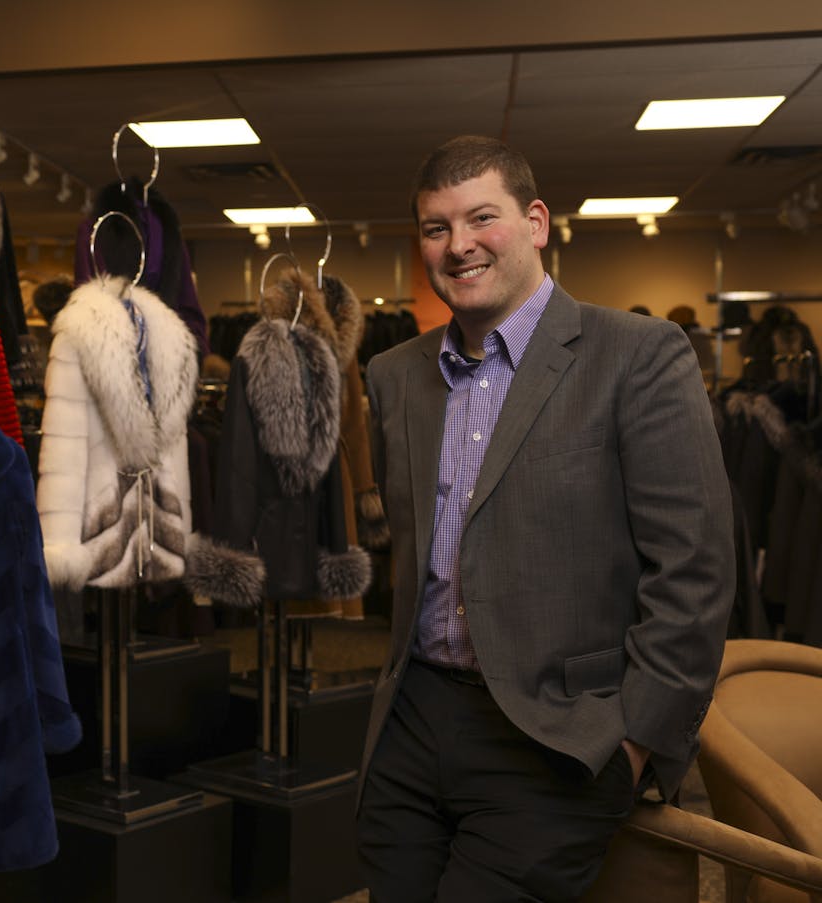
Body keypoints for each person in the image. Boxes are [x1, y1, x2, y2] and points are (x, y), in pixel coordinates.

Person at [357, 135, 734, 901]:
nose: (458, 245)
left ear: (535, 222)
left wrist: (632, 745)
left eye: (480, 218)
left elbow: (694, 570)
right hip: (414, 722)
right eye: (436, 227)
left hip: (557, 739)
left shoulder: (637, 354)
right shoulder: (393, 376)